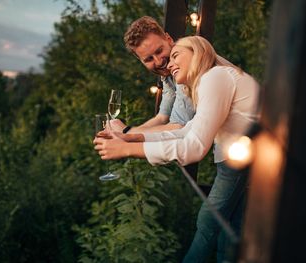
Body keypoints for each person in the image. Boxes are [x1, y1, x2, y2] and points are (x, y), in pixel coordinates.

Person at [94, 36, 260, 262]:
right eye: (150, 58)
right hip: (245, 157)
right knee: (230, 229)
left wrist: (127, 150)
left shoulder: (215, 77)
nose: (168, 63)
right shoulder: (208, 82)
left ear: (198, 52)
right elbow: (185, 131)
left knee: (208, 221)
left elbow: (193, 147)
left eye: (174, 55)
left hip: (247, 159)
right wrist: (130, 137)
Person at [111, 16, 195, 133]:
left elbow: (179, 127)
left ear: (169, 39)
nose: (159, 61)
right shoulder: (168, 74)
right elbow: (162, 117)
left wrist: (127, 132)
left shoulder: (185, 61)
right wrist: (126, 134)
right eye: (149, 59)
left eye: (159, 51)